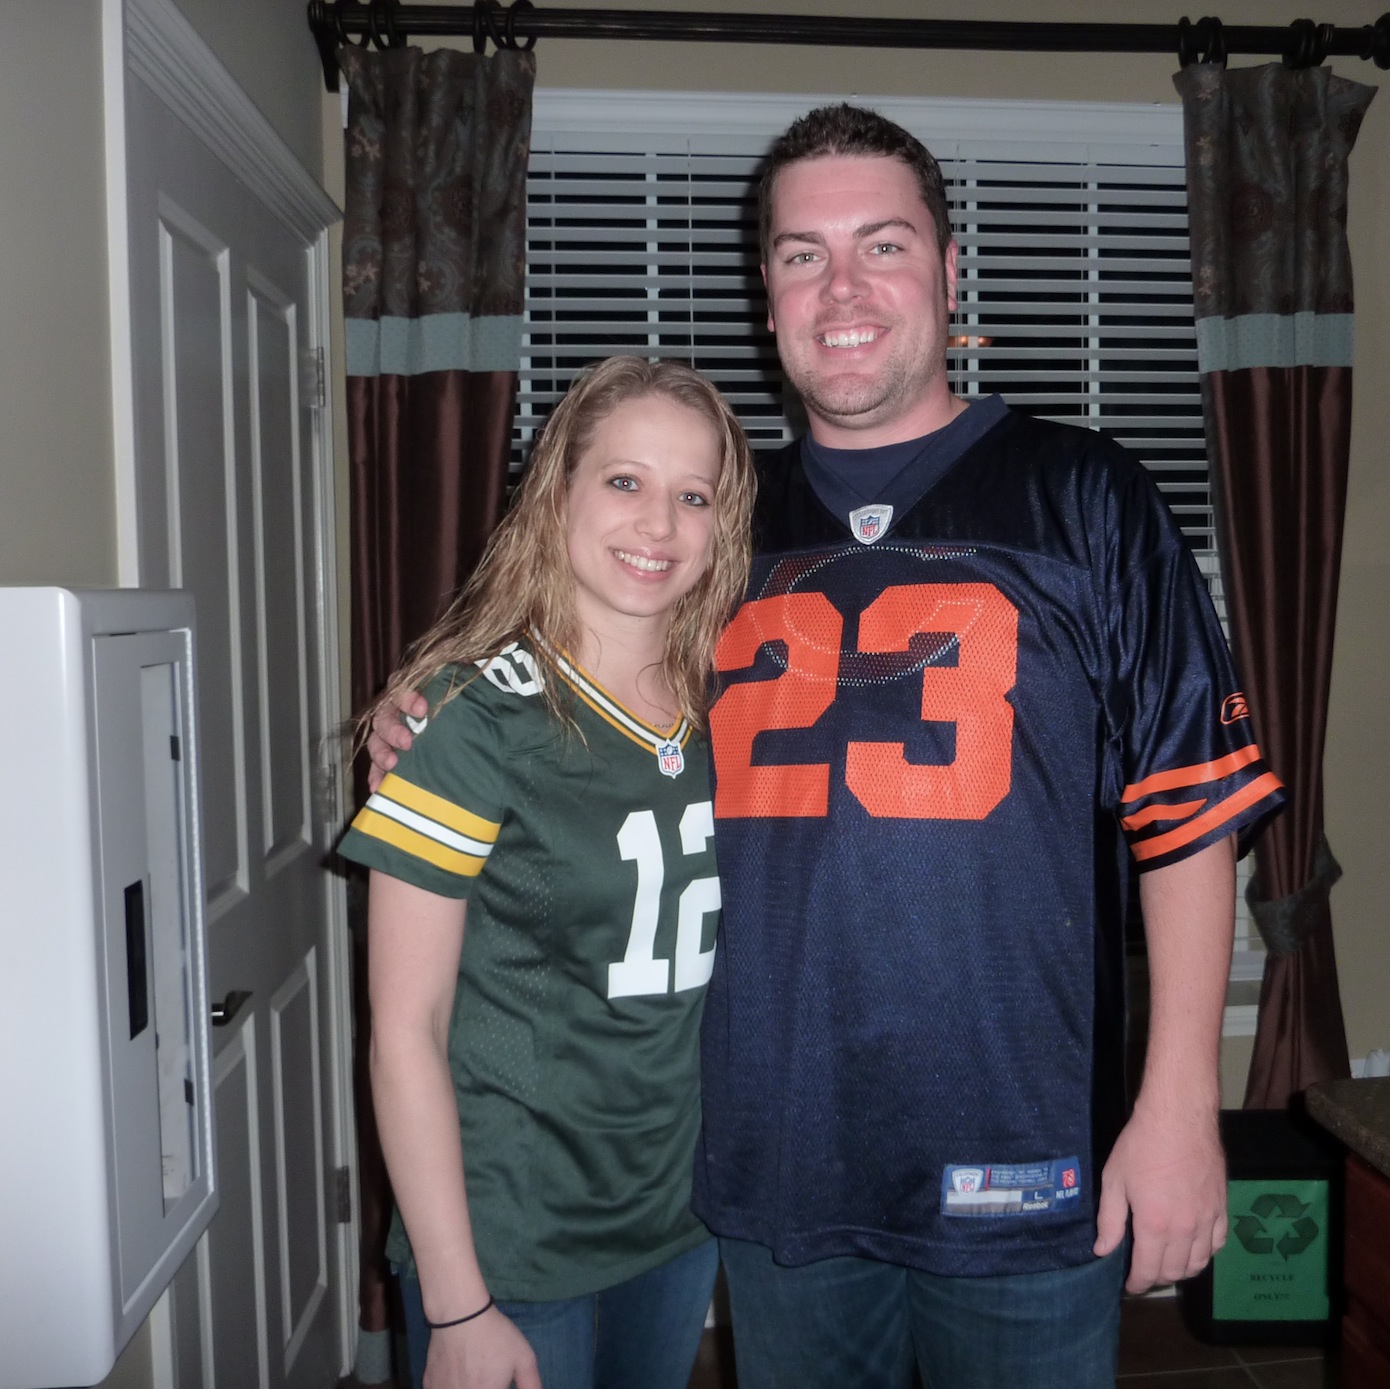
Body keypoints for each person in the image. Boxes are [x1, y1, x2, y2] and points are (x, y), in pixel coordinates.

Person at [371, 106, 1286, 1388]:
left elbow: (1186, 814)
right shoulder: (718, 531)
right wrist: (425, 704)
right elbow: (567, 664)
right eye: (805, 255)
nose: (841, 288)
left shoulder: (1086, 495)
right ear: (768, 294)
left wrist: (1181, 1103)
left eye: (882, 246)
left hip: (1021, 1158)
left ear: (949, 271)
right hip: (779, 1168)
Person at [340, 356, 755, 1389]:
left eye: (693, 495)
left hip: (676, 1216)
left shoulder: (742, 704)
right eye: (624, 481)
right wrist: (457, 1300)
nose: (658, 524)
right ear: (557, 492)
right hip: (509, 1238)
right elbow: (405, 1030)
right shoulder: (470, 716)